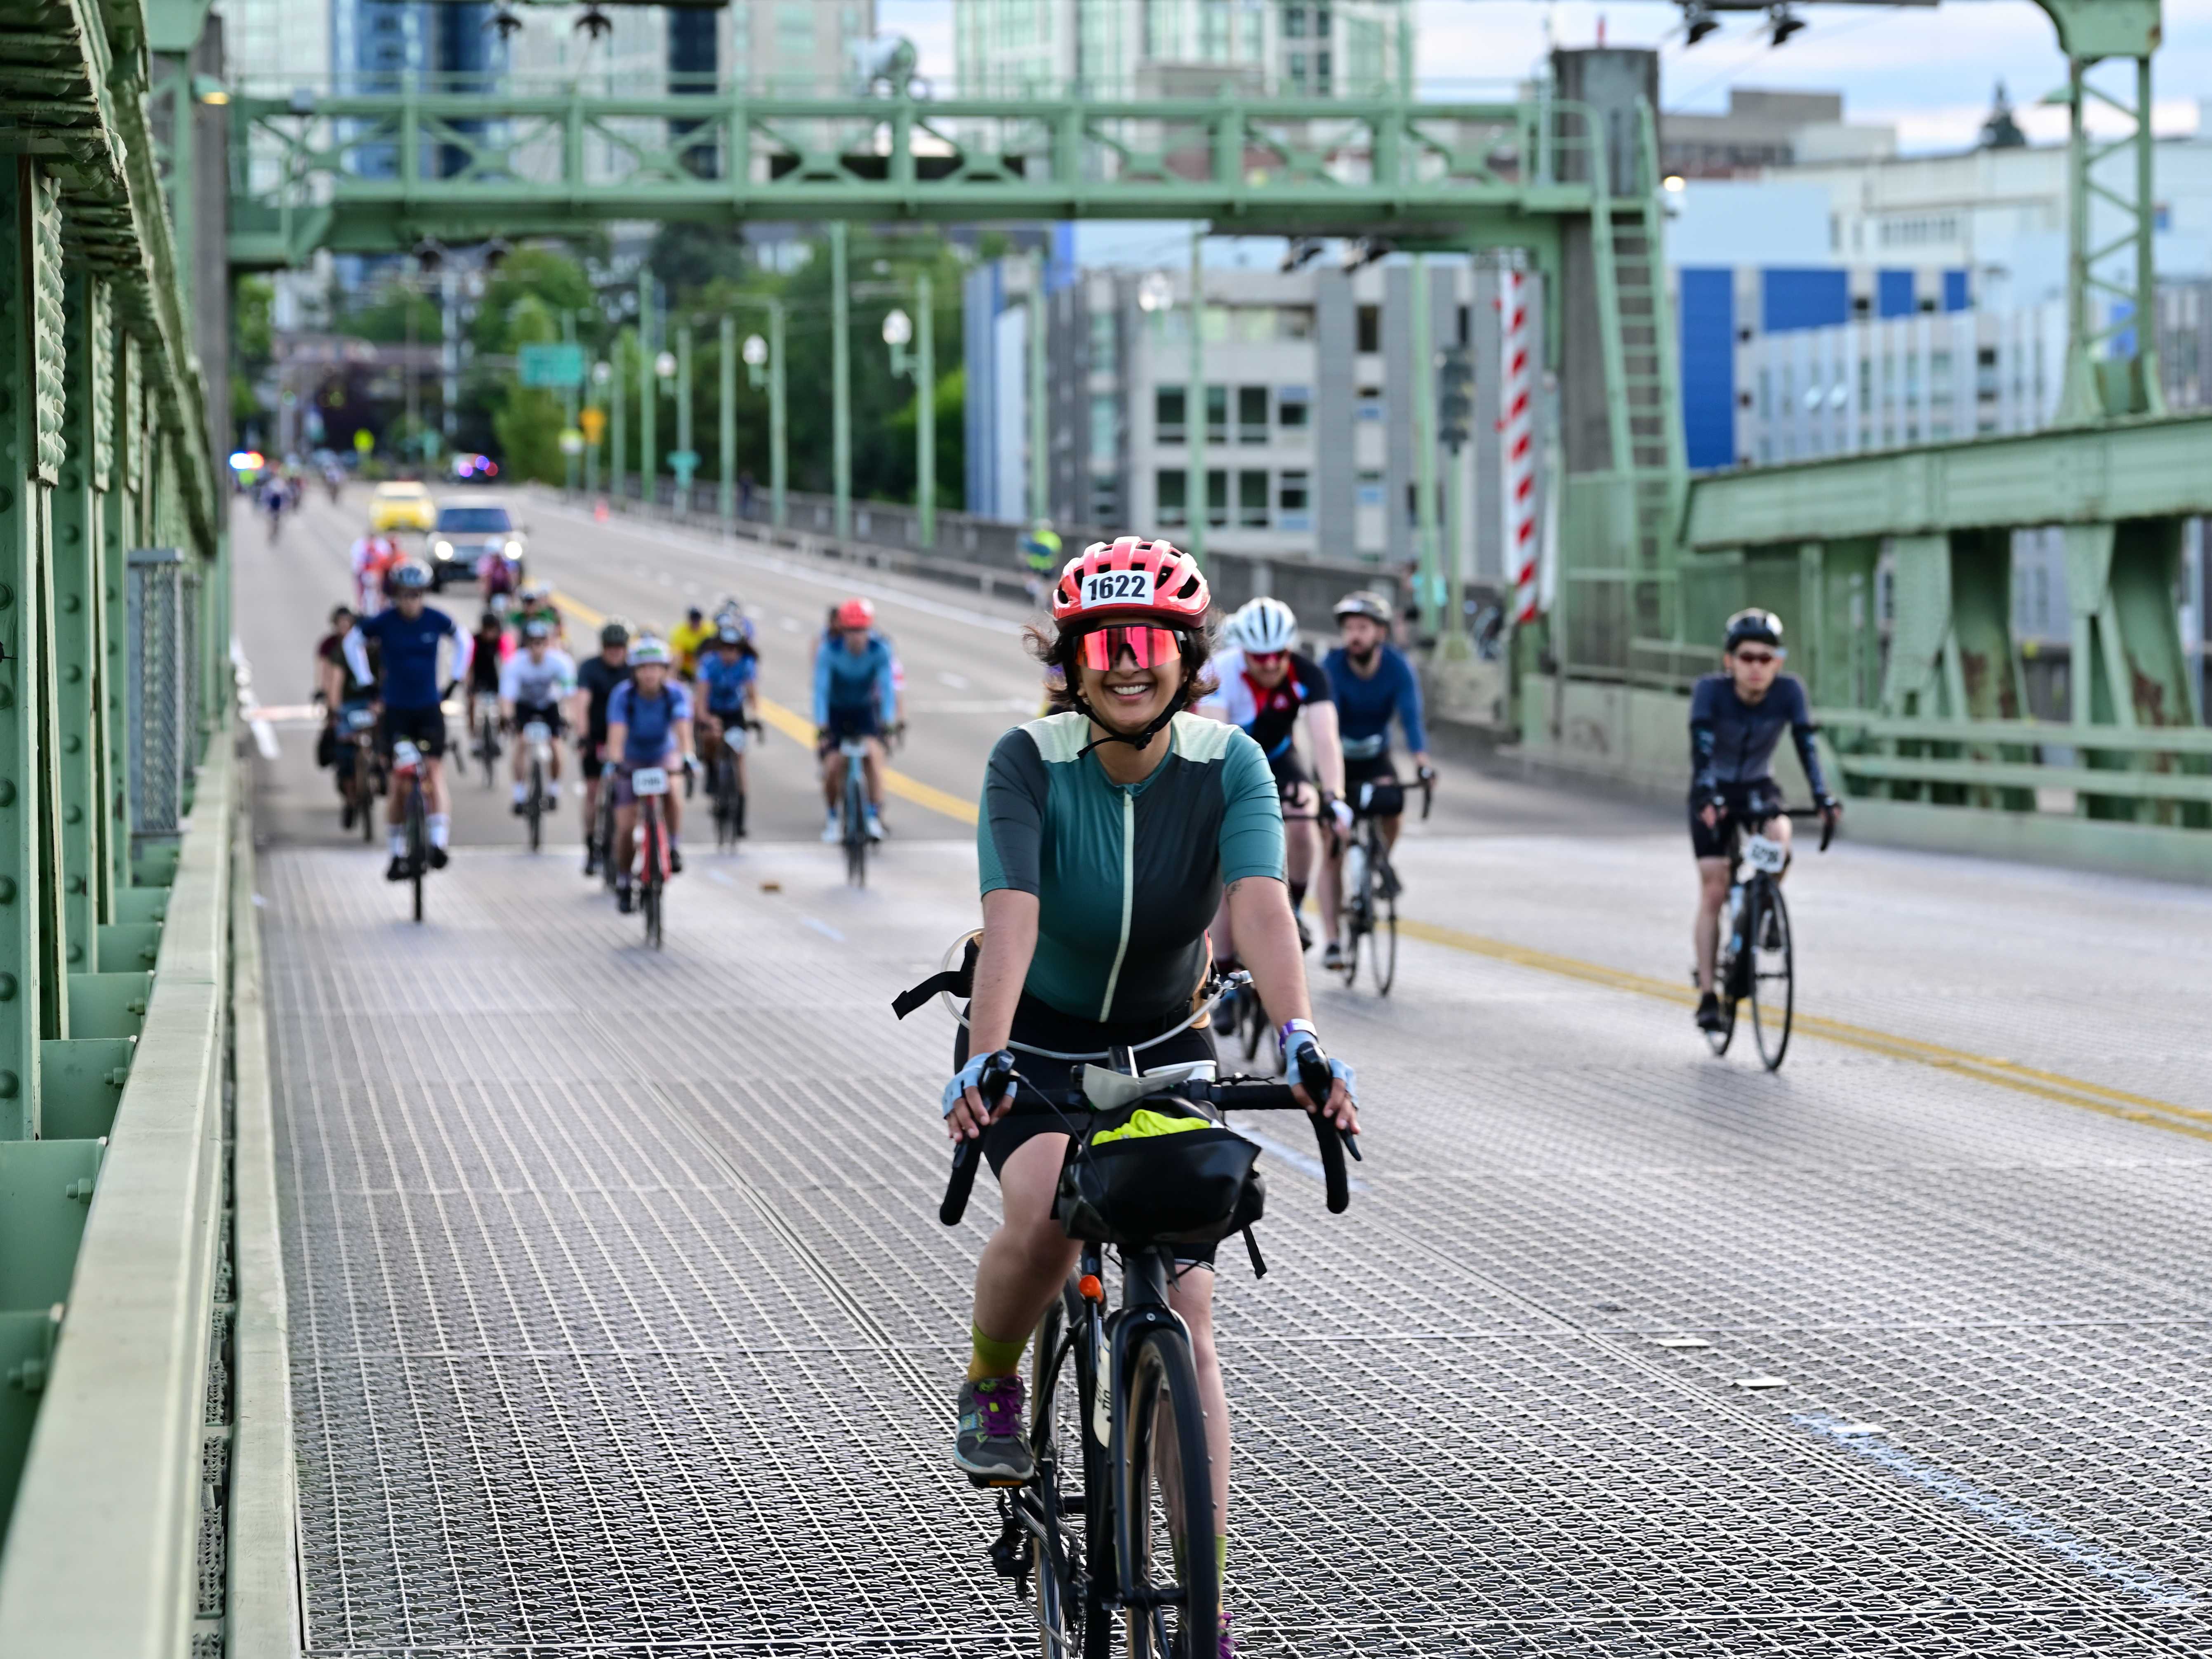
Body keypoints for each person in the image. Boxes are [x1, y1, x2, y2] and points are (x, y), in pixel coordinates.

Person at [943, 537, 1358, 1659]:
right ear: (1070, 663)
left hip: (1167, 1041)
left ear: (1186, 654)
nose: (1130, 666)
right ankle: (993, 1379)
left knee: (1192, 1315)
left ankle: (1208, 1598)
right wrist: (985, 1055)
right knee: (1039, 1212)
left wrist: (1303, 1034)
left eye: (1151, 645)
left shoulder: (1229, 762)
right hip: (1036, 1038)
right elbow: (1012, 918)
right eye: (1104, 647)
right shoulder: (1025, 761)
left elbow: (1262, 903)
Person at [1690, 608, 1841, 1031]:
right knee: (1714, 889)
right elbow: (1700, 749)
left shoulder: (1788, 692)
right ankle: (1707, 994)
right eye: (1746, 657)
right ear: (1729, 661)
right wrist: (1707, 793)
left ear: (1777, 661)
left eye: (1765, 658)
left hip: (1757, 789)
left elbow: (1806, 747)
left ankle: (1761, 907)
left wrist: (1822, 796)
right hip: (1713, 794)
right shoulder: (1709, 692)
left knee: (1777, 844)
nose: (1756, 666)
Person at [1198, 596, 1350, 966]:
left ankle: (1294, 907)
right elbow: (1218, 741)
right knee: (1224, 869)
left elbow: (1325, 738)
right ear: (1244, 651)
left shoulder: (1308, 674)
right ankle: (1225, 968)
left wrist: (1334, 796)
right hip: (1233, 757)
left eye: (1277, 655)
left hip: (1280, 757)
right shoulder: (1220, 671)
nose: (1269, 664)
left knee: (1304, 816)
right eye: (1259, 656)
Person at [1319, 591, 1435, 971]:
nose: (1354, 635)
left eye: (1363, 628)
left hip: (1375, 757)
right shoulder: (1332, 667)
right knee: (1333, 845)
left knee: (1394, 804)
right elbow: (1325, 725)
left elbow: (1411, 720)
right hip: (1336, 757)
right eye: (1349, 628)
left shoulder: (1398, 668)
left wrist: (1422, 763)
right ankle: (1333, 942)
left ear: (1380, 633)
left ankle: (1380, 860)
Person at [344, 561, 473, 881]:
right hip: (396, 713)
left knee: (434, 771)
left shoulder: (435, 619)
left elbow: (465, 641)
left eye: (416, 595)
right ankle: (396, 853)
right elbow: (352, 642)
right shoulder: (385, 622)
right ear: (396, 595)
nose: (411, 602)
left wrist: (455, 680)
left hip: (429, 709)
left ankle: (439, 843)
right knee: (400, 783)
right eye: (404, 595)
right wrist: (366, 680)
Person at [602, 637, 695, 913]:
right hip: (631, 758)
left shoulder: (676, 693)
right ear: (635, 671)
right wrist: (615, 762)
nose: (650, 674)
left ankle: (674, 846)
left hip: (661, 754)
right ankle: (622, 880)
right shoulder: (623, 695)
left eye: (655, 667)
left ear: (665, 670)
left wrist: (688, 757)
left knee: (675, 793)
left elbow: (682, 728)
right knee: (626, 826)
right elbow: (617, 733)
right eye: (643, 668)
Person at [814, 596, 899, 844]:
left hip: (864, 710)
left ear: (869, 629)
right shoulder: (829, 650)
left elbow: (887, 688)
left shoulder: (880, 649)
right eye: (851, 631)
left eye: (861, 631)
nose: (856, 637)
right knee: (832, 767)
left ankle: (873, 816)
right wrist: (821, 725)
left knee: (873, 757)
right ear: (842, 630)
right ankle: (832, 818)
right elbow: (821, 690)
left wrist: (889, 721)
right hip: (836, 711)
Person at [570, 620, 632, 876]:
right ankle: (590, 847)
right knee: (594, 792)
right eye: (610, 647)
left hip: (626, 740)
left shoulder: (633, 671)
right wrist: (583, 736)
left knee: (627, 794)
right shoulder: (590, 668)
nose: (615, 652)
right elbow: (581, 703)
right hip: (597, 737)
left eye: (620, 647)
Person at [499, 619, 577, 813]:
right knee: (522, 742)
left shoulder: (561, 661)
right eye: (533, 642)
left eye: (541, 642)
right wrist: (507, 718)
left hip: (549, 704)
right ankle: (519, 794)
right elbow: (507, 698)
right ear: (527, 644)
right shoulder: (515, 663)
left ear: (548, 642)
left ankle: (554, 790)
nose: (537, 647)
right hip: (524, 705)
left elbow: (569, 696)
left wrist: (568, 717)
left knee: (556, 743)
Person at [693, 622, 760, 838]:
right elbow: (701, 700)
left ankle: (740, 818)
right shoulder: (709, 664)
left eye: (734, 649)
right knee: (711, 738)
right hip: (712, 711)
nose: (729, 654)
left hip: (734, 713)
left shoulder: (746, 665)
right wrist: (706, 719)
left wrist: (755, 717)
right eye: (725, 648)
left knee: (739, 759)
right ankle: (712, 773)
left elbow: (753, 697)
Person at [349, 531, 401, 616]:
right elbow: (358, 565)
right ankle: (362, 606)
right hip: (369, 574)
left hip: (382, 578)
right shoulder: (361, 546)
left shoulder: (385, 549)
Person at [1017, 517, 1061, 604]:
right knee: (1037, 582)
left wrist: (1037, 548)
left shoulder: (1046, 537)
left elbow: (1047, 551)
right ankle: (1040, 597)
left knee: (1046, 584)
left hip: (1045, 565)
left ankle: (1044, 600)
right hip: (1040, 564)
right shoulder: (1048, 537)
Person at [669, 605, 716, 677]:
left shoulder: (710, 630)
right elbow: (675, 653)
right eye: (693, 620)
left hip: (701, 667)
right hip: (684, 667)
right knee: (676, 655)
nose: (696, 623)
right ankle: (672, 679)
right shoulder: (680, 632)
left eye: (698, 620)